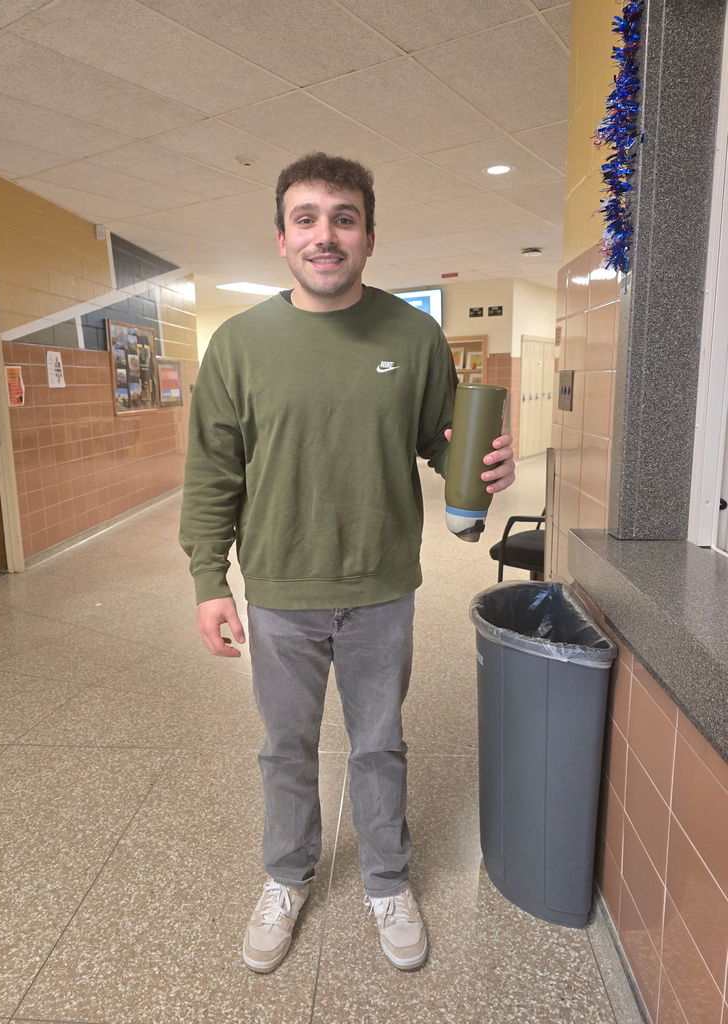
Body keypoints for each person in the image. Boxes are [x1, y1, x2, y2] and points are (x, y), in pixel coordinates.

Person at [180, 152, 515, 974]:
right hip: (281, 590)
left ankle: (387, 881)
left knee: (377, 744)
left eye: (342, 217)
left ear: (368, 234)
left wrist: (481, 475)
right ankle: (287, 878)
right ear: (282, 237)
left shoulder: (413, 334)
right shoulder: (238, 343)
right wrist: (206, 582)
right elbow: (213, 470)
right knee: (285, 745)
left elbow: (442, 444)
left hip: (380, 589)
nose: (324, 234)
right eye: (306, 217)